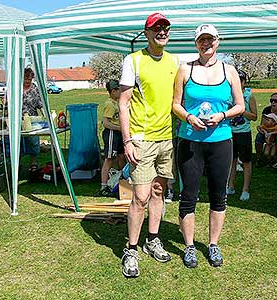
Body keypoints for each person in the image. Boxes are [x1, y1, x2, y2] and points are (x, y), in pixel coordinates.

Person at [172, 24, 244, 268]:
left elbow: (240, 106)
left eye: (210, 39)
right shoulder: (185, 69)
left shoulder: (229, 70)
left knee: (218, 196)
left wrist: (222, 115)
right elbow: (176, 105)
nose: (206, 44)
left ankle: (213, 244)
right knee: (188, 196)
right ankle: (190, 246)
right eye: (201, 40)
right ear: (196, 44)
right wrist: (189, 117)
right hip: (191, 141)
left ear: (218, 42)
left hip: (221, 141)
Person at [118, 12, 179, 278]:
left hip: (166, 138)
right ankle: (131, 249)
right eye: (156, 28)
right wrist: (127, 140)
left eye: (165, 28)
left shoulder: (175, 62)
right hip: (141, 139)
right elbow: (123, 103)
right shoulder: (133, 61)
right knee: (140, 197)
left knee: (158, 192)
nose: (162, 32)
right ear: (146, 33)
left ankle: (152, 240)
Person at [226, 70, 257, 201]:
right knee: (231, 160)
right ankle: (230, 186)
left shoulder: (249, 96)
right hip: (229, 132)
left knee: (246, 161)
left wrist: (241, 110)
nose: (239, 83)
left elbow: (255, 116)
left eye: (241, 80)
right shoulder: (228, 95)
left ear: (244, 82)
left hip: (243, 133)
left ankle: (245, 189)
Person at [5, 67, 43, 171]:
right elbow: (8, 102)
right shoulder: (16, 88)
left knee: (33, 141)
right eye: (25, 79)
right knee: (18, 141)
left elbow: (40, 104)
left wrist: (45, 114)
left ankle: (33, 163)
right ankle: (17, 164)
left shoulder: (35, 88)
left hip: (31, 119)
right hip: (17, 119)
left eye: (29, 79)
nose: (27, 81)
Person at [99, 79, 125, 197]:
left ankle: (122, 181)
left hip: (119, 134)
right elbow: (106, 123)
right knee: (109, 158)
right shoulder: (109, 104)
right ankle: (103, 185)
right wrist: (119, 128)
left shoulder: (118, 102)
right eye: (119, 90)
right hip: (111, 134)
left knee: (121, 157)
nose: (121, 92)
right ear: (113, 91)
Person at [255, 92, 277, 168]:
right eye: (271, 100)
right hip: (267, 131)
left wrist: (272, 133)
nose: (273, 102)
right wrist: (260, 129)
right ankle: (259, 158)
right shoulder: (266, 110)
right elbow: (262, 125)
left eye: (276, 101)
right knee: (259, 136)